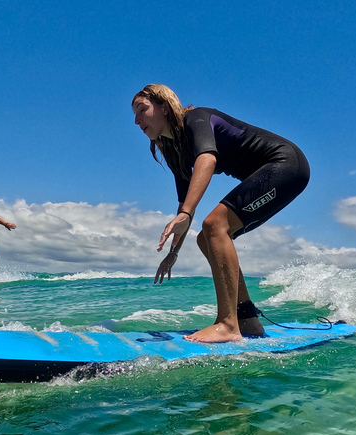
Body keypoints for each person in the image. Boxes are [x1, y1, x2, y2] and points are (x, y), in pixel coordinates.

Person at [132, 84, 309, 343]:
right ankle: (247, 320)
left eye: (142, 110)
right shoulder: (173, 149)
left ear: (163, 105)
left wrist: (187, 212)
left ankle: (228, 324)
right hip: (272, 174)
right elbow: (185, 208)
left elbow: (208, 159)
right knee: (206, 236)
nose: (137, 121)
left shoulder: (196, 118)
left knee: (214, 225)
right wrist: (173, 253)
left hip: (286, 164)